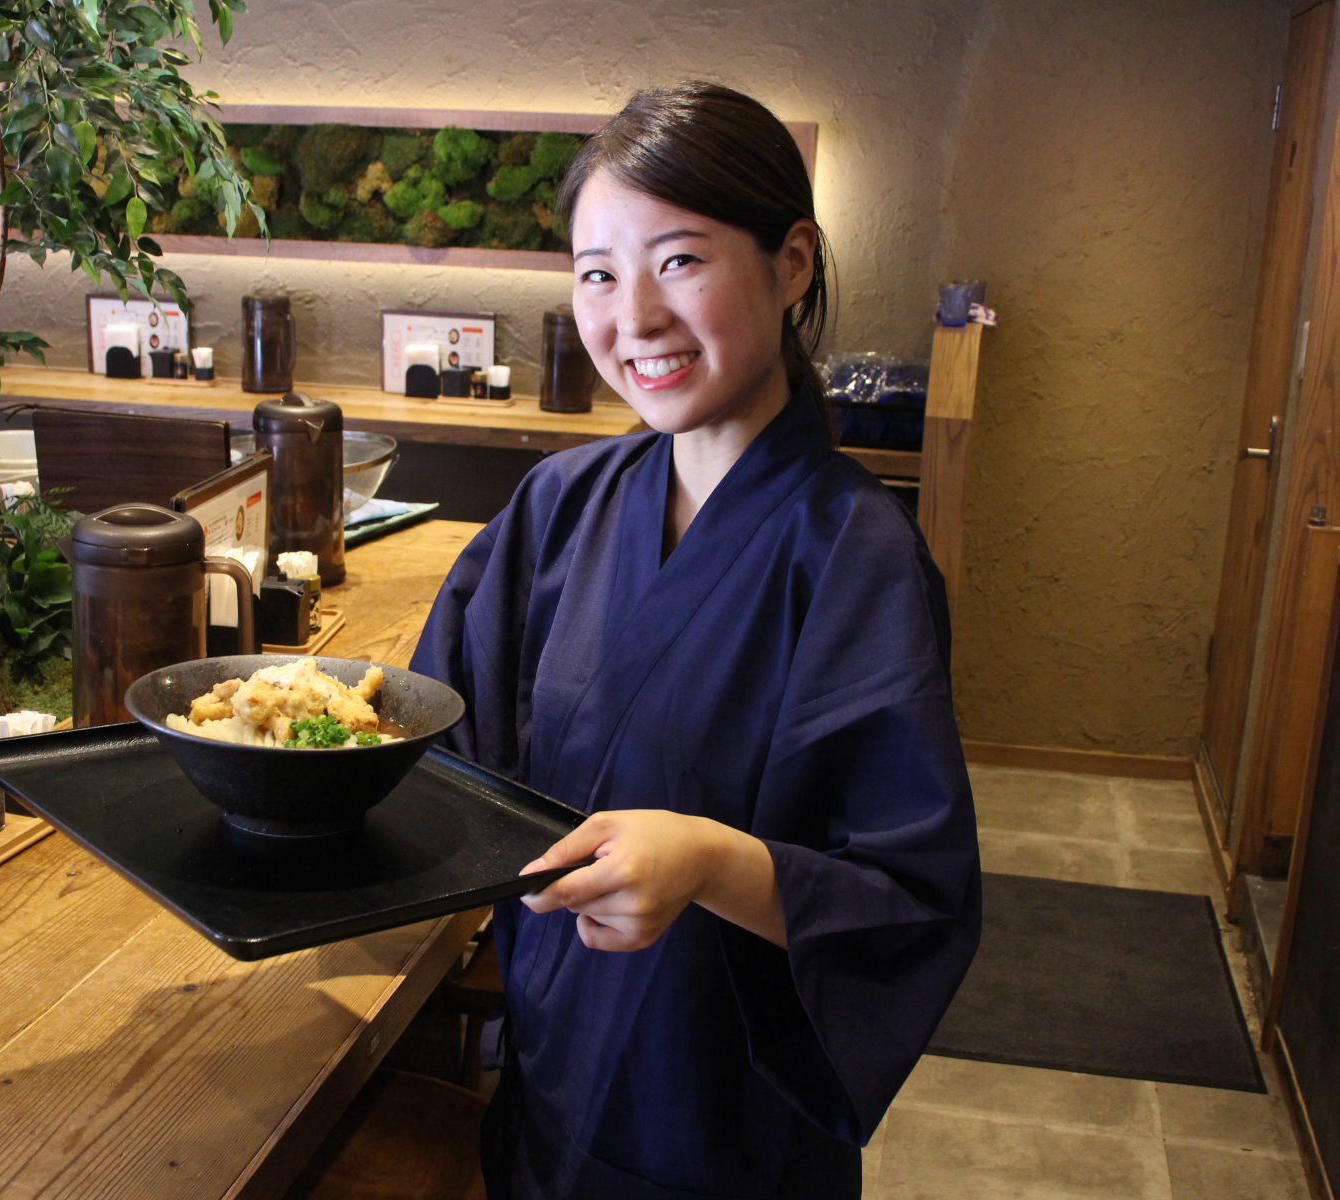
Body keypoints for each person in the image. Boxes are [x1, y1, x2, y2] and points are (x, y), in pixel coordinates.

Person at [410, 81, 980, 1200]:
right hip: (548, 1077)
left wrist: (715, 861)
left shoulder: (855, 557)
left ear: (792, 263)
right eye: (597, 274)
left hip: (722, 1125)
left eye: (679, 260)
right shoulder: (557, 506)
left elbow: (907, 896)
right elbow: (438, 748)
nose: (634, 318)